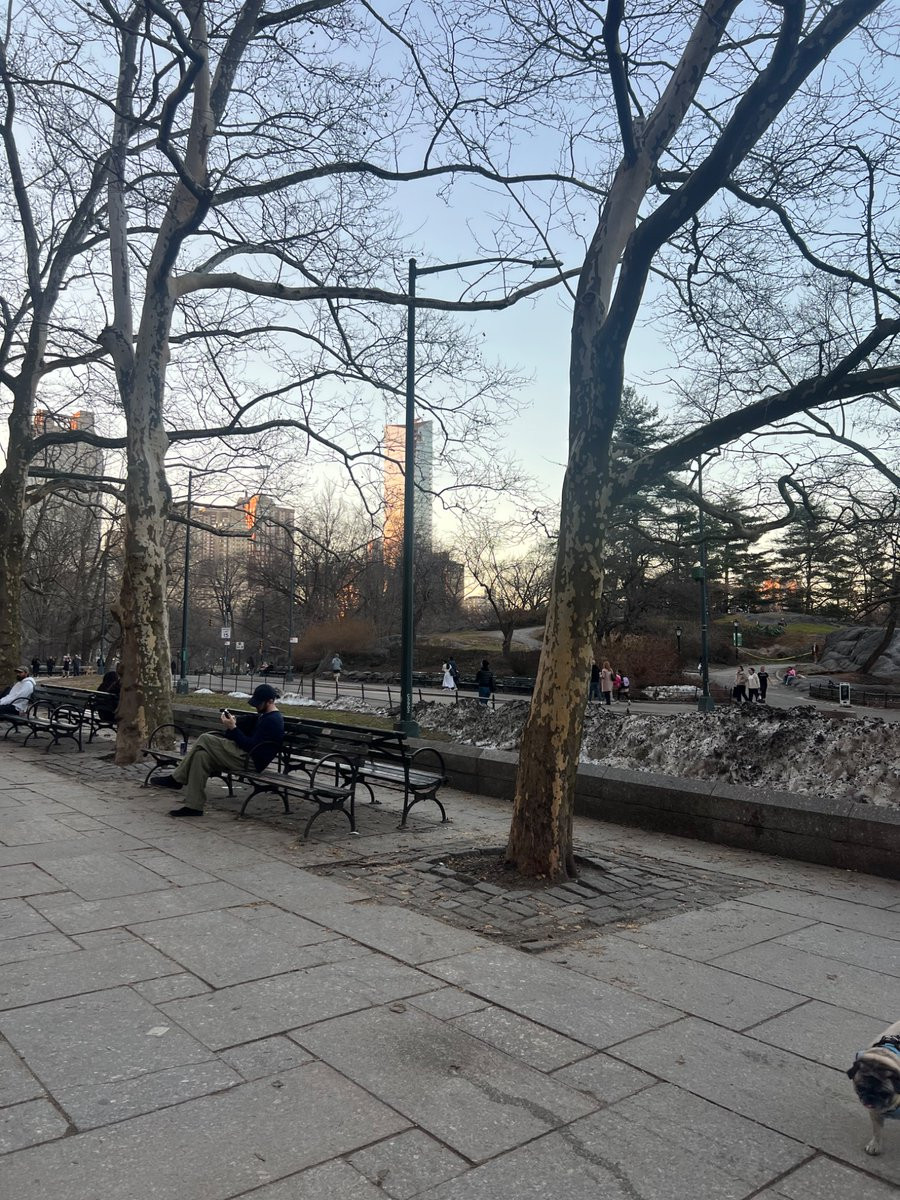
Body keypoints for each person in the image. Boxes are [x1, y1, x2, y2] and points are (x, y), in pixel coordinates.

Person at [151, 684, 285, 817]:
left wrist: (233, 728)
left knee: (205, 738)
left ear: (270, 701)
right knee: (201, 756)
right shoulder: (264, 716)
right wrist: (234, 723)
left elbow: (251, 746)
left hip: (250, 760)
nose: (256, 707)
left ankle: (176, 779)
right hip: (243, 755)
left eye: (258, 704)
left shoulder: (273, 721)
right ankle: (194, 806)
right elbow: (239, 735)